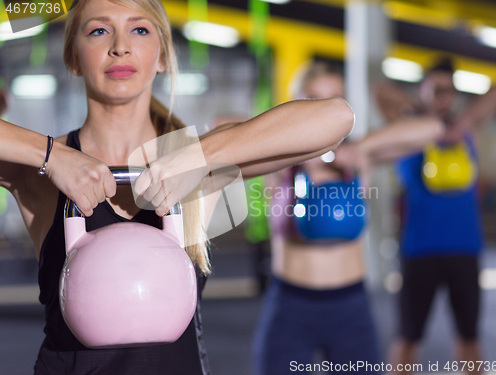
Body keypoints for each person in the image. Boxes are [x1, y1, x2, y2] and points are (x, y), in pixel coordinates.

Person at [0, 0, 356, 373]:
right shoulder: (38, 171)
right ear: (72, 57)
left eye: (139, 29)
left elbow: (337, 118)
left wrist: (196, 156)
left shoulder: (198, 164)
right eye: (98, 30)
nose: (120, 45)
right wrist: (51, 155)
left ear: (162, 57)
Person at [251, 62, 444, 375]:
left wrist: (362, 146)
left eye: (334, 99)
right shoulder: (277, 161)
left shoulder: (358, 158)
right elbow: (220, 124)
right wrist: (288, 139)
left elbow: (432, 128)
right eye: (312, 98)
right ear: (293, 104)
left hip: (350, 306)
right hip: (290, 305)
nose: (323, 110)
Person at [375, 57, 496, 374]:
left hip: (465, 249)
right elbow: (379, 91)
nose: (444, 96)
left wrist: (458, 123)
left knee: (470, 338)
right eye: (436, 89)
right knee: (408, 338)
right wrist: (423, 112)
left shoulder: (466, 130)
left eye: (449, 90)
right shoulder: (409, 132)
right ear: (423, 91)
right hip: (419, 251)